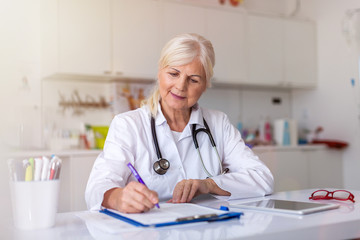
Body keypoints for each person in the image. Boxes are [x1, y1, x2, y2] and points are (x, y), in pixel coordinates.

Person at [85, 33, 274, 213]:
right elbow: (97, 187)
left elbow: (262, 178)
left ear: (205, 85)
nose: (180, 86)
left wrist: (208, 184)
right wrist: (118, 198)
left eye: (193, 80)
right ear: (160, 72)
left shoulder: (218, 123)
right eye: (173, 74)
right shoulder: (128, 125)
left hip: (207, 227)